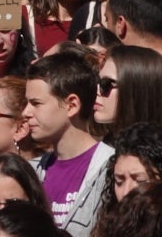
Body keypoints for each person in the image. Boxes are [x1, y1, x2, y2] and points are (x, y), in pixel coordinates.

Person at [25, 50, 113, 235]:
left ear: (71, 105)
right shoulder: (31, 172)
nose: (26, 112)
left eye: (36, 103)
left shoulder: (111, 169)